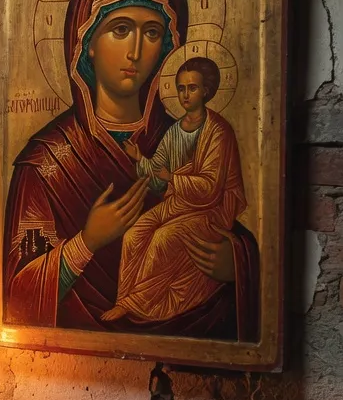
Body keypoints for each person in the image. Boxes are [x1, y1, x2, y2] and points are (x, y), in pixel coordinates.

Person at [0, 0, 260, 341]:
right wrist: (87, 242)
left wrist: (236, 263)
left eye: (152, 33)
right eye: (120, 30)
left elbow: (219, 211)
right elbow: (17, 294)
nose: (136, 51)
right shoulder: (47, 161)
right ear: (86, 42)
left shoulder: (190, 134)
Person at [102, 57, 247, 323]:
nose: (185, 95)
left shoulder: (219, 132)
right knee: (134, 234)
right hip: (178, 203)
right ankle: (124, 299)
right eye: (181, 88)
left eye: (192, 88)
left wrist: (174, 178)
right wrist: (140, 160)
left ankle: (138, 303)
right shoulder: (174, 132)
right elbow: (158, 177)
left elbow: (211, 189)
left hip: (210, 211)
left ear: (206, 90)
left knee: (162, 239)